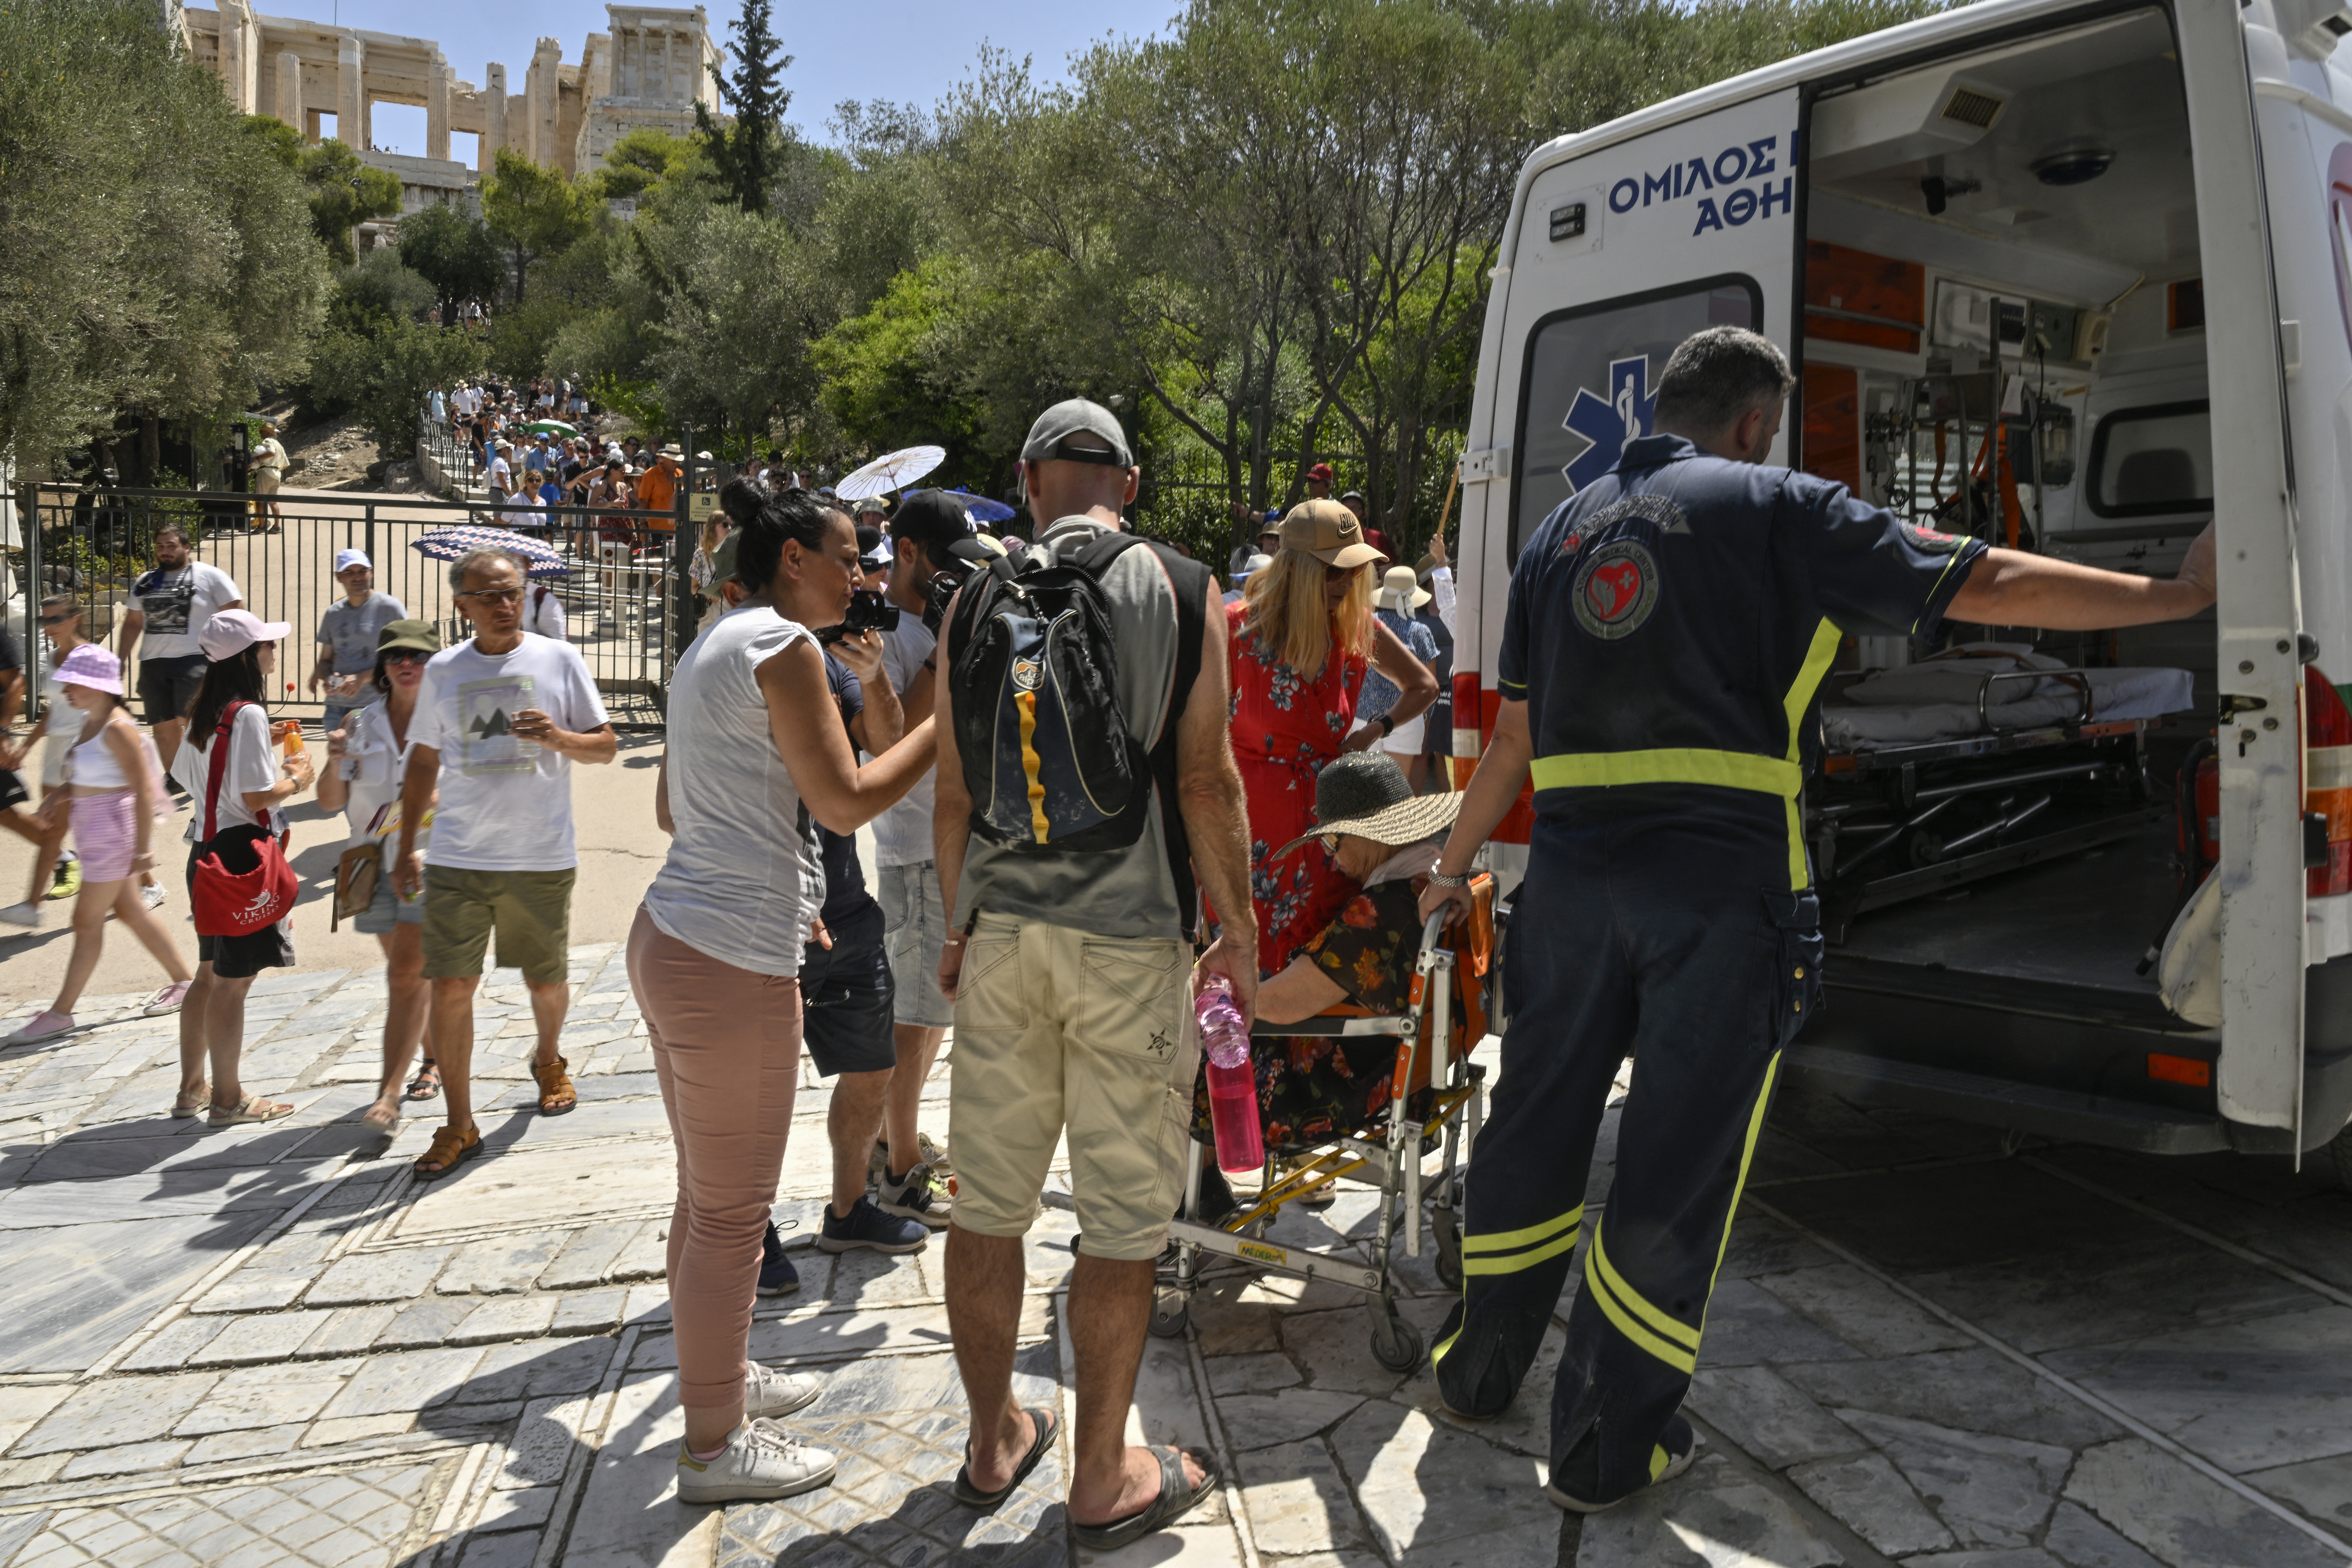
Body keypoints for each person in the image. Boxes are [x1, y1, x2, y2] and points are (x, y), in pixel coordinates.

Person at [1417, 325, 2223, 1513]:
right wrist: (2181, 592)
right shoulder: (1778, 505)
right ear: (1754, 422)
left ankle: (1481, 1371)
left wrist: (1452, 861)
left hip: (1577, 882)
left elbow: (1515, 740)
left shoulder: (1563, 528)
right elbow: (1985, 582)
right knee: (1676, 1160)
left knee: (1535, 1128)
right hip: (1718, 880)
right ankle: (1604, 1444)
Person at [934, 399, 1251, 1549]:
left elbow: (956, 800)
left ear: (1026, 480)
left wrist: (964, 927)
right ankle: (1104, 1477)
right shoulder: (1180, 584)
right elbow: (1208, 778)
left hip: (1007, 934)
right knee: (1121, 1226)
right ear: (1133, 481)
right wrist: (1240, 927)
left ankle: (990, 1441)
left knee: (990, 1206)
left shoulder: (972, 596)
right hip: (1130, 945)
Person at [637, 489, 938, 1503]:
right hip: (729, 963)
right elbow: (845, 799)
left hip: (676, 935)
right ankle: (713, 1448)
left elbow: (681, 804)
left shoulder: (715, 640)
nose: (861, 579)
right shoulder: (786, 648)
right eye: (850, 559)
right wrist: (944, 728)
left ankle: (714, 1378)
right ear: (797, 556)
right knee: (732, 1218)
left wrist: (789, 890)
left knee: (702, 1200)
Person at [394, 548, 618, 1178]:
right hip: (458, 855)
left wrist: (559, 738)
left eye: (511, 592)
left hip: (539, 854)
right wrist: (407, 842)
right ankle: (460, 1123)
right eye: (487, 595)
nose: (502, 605)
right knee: (452, 985)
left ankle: (548, 1058)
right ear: (461, 604)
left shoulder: (558, 658)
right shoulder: (442, 670)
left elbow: (606, 747)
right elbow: (422, 760)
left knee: (544, 981)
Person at [1190, 751, 1463, 1183]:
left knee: (1179, 1061)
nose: (1331, 857)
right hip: (1401, 1069)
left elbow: (1283, 1006)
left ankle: (1183, 1198)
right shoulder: (1428, 882)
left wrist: (1212, 997)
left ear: (1372, 835)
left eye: (1334, 841)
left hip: (1338, 1088)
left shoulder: (1380, 910)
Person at [1227, 499, 1436, 977]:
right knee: (1244, 978)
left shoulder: (1353, 623)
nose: (1346, 582)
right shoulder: (1237, 629)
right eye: (1334, 572)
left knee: (1315, 974)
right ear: (1297, 568)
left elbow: (1424, 686)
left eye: (1353, 570)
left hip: (1330, 838)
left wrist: (1372, 732)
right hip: (1248, 837)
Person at [869, 488, 984, 1202]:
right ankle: (901, 1168)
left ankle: (895, 1133)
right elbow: (896, 739)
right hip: (914, 846)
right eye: (944, 565)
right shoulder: (884, 633)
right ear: (906, 552)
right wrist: (947, 651)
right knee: (913, 1019)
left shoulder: (921, 625)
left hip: (939, 845)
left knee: (930, 1012)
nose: (954, 581)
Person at [3, 647, 194, 1045]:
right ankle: (185, 982)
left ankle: (61, 1012)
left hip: (113, 834)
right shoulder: (93, 723)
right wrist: (60, 796)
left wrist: (143, 850)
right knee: (131, 913)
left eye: (73, 683)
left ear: (97, 685)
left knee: (85, 923)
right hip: (96, 833)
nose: (66, 690)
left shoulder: (117, 727)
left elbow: (141, 788)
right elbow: (96, 776)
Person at [171, 609, 315, 1126]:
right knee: (234, 981)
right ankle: (228, 1099)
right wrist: (298, 777)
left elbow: (193, 776)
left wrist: (260, 743)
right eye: (267, 645)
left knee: (209, 974)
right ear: (248, 656)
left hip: (203, 852)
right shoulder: (247, 714)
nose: (273, 653)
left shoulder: (205, 711)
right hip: (240, 860)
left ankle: (193, 1088)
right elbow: (256, 795)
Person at [319, 621, 445, 1130]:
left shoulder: (449, 723)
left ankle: (388, 1095)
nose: (407, 664)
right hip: (367, 862)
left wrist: (422, 808)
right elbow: (330, 801)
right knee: (406, 970)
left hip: (430, 859)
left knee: (407, 971)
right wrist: (331, 762)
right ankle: (434, 1058)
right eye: (396, 657)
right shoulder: (358, 724)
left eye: (418, 656)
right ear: (383, 668)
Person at [119, 526, 244, 778]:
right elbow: (133, 623)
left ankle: (207, 777)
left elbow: (237, 614)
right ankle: (177, 778)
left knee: (194, 725)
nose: (165, 551)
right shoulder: (145, 581)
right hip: (153, 664)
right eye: (160, 547)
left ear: (187, 547)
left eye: (171, 546)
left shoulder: (210, 576)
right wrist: (120, 659)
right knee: (163, 731)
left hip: (197, 661)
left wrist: (235, 657)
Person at [1359, 566, 1441, 788]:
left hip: (1361, 717)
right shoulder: (1420, 631)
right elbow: (1429, 681)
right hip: (1405, 717)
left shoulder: (1366, 625)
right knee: (1395, 791)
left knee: (1363, 794)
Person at [312, 550, 410, 734]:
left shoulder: (390, 608)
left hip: (377, 706)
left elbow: (406, 658)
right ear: (338, 577)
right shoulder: (333, 613)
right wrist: (327, 679)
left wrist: (362, 678)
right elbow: (325, 660)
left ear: (371, 572)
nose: (357, 577)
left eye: (362, 571)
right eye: (350, 572)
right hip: (336, 710)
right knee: (339, 764)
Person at [251, 420, 288, 532]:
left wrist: (257, 459)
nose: (261, 433)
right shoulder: (280, 445)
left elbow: (272, 453)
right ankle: (277, 526)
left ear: (267, 433)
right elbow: (286, 465)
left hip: (266, 472)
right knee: (273, 502)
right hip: (277, 474)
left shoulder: (268, 441)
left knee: (260, 500)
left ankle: (262, 526)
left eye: (262, 431)